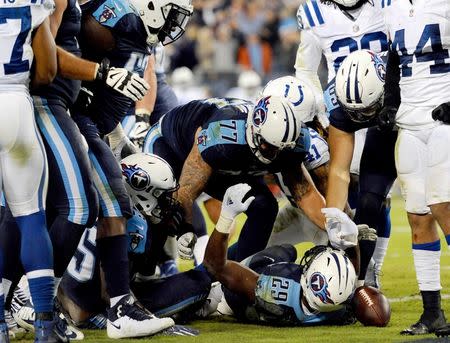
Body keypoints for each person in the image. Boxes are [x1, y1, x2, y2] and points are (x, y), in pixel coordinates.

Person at [67, 0, 193, 338]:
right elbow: (66, 56)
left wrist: (118, 131)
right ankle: (112, 307)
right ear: (152, 6)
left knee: (91, 209)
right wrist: (103, 74)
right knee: (109, 205)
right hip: (78, 121)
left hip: (98, 126)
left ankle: (92, 300)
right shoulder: (113, 16)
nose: (175, 23)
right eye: (173, 13)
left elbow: (139, 70)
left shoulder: (142, 34)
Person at [143, 96, 334, 262]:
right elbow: (185, 191)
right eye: (269, 146)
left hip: (225, 158)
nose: (275, 155)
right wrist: (185, 226)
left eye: (280, 149)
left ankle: (240, 272)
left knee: (264, 206)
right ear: (254, 130)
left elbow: (305, 194)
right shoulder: (222, 135)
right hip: (171, 145)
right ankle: (145, 272)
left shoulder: (289, 143)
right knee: (163, 212)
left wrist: (335, 227)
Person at [295, 0, 392, 286]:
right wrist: (322, 112)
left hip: (384, 107)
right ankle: (345, 262)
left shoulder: (389, 5)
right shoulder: (314, 13)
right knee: (345, 186)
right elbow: (306, 71)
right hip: (342, 110)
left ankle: (373, 267)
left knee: (376, 196)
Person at [382, 0, 450, 335]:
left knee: (444, 208)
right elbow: (395, 58)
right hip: (409, 124)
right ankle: (432, 314)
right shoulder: (392, 6)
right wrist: (390, 102)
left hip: (443, 120)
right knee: (418, 218)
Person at [0, 0, 61, 340]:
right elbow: (48, 70)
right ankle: (45, 326)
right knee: (31, 218)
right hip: (16, 104)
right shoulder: (33, 2)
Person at [325, 49, 397, 288]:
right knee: (366, 202)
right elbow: (339, 171)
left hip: (405, 121)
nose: (359, 118)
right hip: (380, 118)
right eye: (353, 113)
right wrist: (335, 221)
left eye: (365, 112)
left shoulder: (405, 81)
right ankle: (358, 280)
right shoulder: (338, 101)